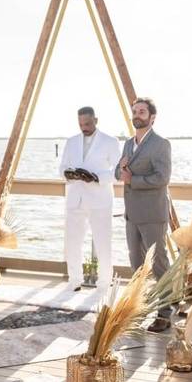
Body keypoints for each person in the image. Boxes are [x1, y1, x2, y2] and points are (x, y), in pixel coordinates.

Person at [116, 97, 172, 331]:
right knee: (137, 264)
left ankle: (165, 312)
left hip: (152, 213)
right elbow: (119, 173)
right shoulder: (128, 144)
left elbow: (162, 178)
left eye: (142, 111)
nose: (137, 114)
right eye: (135, 111)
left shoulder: (161, 144)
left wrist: (132, 179)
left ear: (152, 117)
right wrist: (122, 170)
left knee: (159, 264)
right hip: (131, 214)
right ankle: (138, 310)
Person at [59, 106, 121, 292]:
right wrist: (70, 174)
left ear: (96, 120)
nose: (83, 127)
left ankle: (103, 284)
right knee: (72, 242)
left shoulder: (110, 141)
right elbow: (61, 169)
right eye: (80, 124)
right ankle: (74, 281)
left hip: (100, 199)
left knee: (103, 243)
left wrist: (96, 177)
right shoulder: (71, 142)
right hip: (75, 199)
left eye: (87, 123)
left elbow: (118, 172)